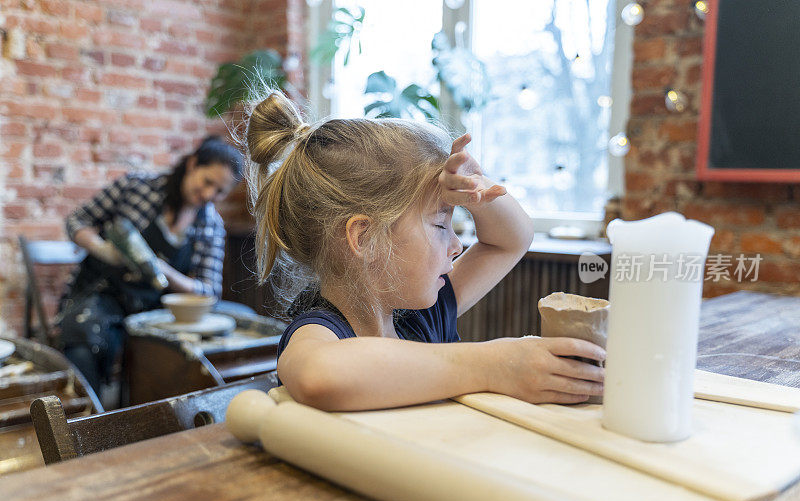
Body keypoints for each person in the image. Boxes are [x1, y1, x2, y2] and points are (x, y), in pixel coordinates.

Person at [246, 92, 605, 412]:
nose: (457, 244)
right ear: (365, 238)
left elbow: (511, 240)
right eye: (439, 224)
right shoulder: (319, 332)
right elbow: (318, 375)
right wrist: (495, 364)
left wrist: (479, 193)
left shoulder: (423, 315)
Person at [59, 136, 244, 394]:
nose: (209, 194)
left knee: (223, 328)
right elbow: (77, 220)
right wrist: (104, 249)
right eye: (207, 182)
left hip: (155, 302)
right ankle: (86, 421)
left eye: (220, 191)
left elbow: (208, 291)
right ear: (192, 165)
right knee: (85, 340)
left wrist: (161, 269)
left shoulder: (210, 225)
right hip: (104, 292)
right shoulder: (135, 187)